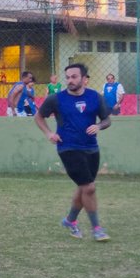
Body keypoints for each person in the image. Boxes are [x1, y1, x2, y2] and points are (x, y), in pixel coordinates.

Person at [34, 62, 113, 242]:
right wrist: (49, 133)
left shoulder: (95, 97)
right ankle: (97, 229)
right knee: (89, 187)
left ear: (84, 79)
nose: (70, 80)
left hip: (91, 148)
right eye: (68, 77)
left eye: (74, 77)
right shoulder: (56, 99)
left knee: (84, 187)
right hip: (67, 147)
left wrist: (99, 126)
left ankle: (70, 220)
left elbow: (107, 120)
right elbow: (38, 117)